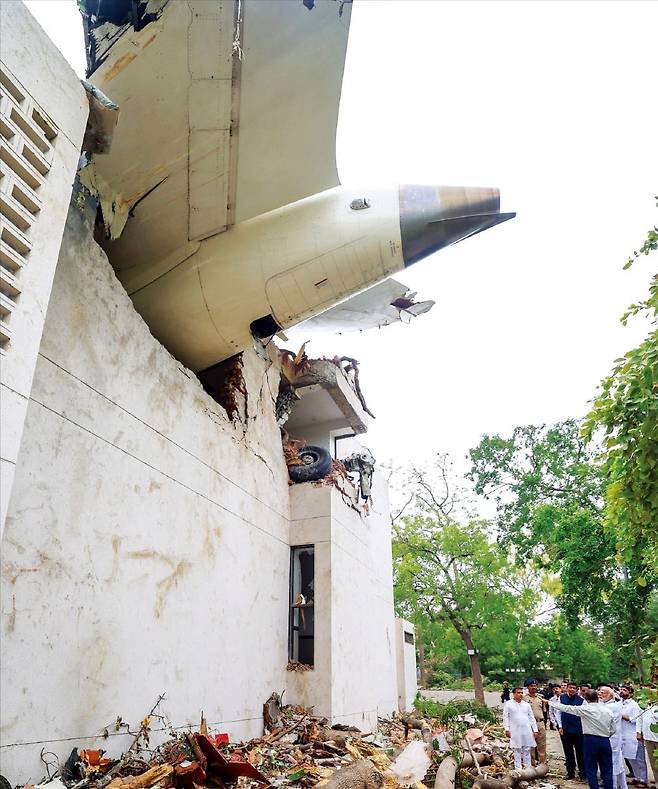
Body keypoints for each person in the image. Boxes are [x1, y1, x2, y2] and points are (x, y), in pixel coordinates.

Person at [550, 688, 616, 789]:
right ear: (597, 697)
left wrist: (550, 703)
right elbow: (613, 729)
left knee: (591, 768)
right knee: (607, 768)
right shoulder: (607, 710)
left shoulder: (585, 709)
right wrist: (606, 734)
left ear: (585, 698)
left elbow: (567, 708)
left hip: (590, 740)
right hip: (605, 740)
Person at [598, 686, 627, 789]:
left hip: (612, 740)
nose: (600, 694)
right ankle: (623, 786)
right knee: (618, 765)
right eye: (600, 692)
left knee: (611, 765)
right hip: (610, 739)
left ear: (610, 695)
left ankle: (612, 786)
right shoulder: (604, 704)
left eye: (603, 693)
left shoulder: (612, 706)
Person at [504, 686, 539, 769]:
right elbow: (505, 717)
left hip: (526, 730)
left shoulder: (526, 705)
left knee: (527, 748)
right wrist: (507, 729)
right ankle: (518, 769)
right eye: (518, 693)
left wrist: (535, 730)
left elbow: (531, 718)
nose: (520, 694)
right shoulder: (508, 704)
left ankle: (528, 768)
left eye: (521, 693)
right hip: (515, 730)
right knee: (517, 749)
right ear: (513, 694)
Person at [558, 681, 586, 780]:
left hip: (578, 730)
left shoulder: (581, 700)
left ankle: (582, 773)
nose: (572, 689)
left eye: (574, 688)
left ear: (577, 689)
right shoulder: (561, 698)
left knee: (580, 752)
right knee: (568, 752)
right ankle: (570, 772)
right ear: (567, 688)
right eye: (570, 687)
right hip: (565, 729)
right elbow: (558, 712)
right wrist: (560, 726)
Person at [620, 685, 647, 786]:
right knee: (630, 758)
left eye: (624, 690)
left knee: (639, 759)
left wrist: (625, 717)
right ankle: (637, 777)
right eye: (621, 690)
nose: (622, 691)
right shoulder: (619, 703)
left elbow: (637, 719)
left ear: (630, 693)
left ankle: (643, 780)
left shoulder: (634, 705)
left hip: (634, 734)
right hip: (624, 734)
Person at [524, 678, 547, 765]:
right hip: (529, 724)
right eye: (531, 686)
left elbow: (544, 712)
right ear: (528, 687)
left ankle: (543, 765)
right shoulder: (524, 698)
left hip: (540, 723)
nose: (534, 687)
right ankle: (531, 766)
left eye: (535, 686)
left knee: (542, 745)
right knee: (531, 746)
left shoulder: (540, 698)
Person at [636, 701, 658, 788]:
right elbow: (639, 718)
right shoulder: (643, 705)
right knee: (653, 763)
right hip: (648, 738)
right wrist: (638, 732)